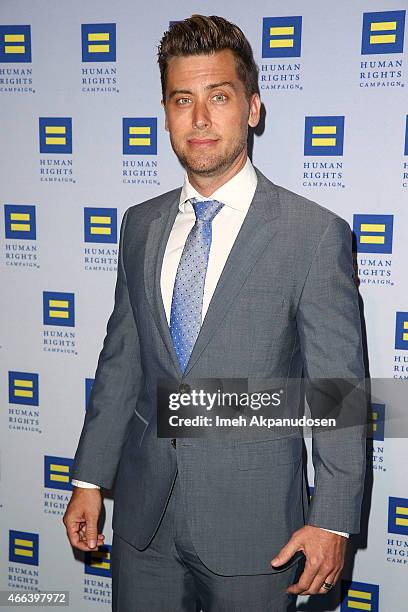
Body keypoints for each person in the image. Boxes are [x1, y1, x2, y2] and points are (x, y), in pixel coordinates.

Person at [63, 14, 366, 611]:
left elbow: (337, 392)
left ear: (253, 108)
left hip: (256, 531)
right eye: (183, 100)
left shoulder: (312, 234)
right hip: (143, 526)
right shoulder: (139, 226)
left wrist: (332, 519)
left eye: (219, 97)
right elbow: (123, 363)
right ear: (166, 110)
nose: (199, 119)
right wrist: (88, 479)